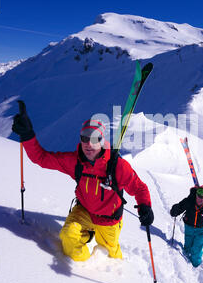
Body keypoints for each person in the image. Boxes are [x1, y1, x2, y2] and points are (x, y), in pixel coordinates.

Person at [12, 103, 154, 262]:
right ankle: (84, 267)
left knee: (111, 257)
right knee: (67, 237)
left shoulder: (117, 166)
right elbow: (41, 158)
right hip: (84, 211)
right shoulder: (75, 162)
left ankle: (111, 277)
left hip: (109, 218)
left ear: (101, 140)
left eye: (94, 138)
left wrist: (145, 206)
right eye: (84, 138)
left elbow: (139, 188)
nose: (89, 143)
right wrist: (27, 135)